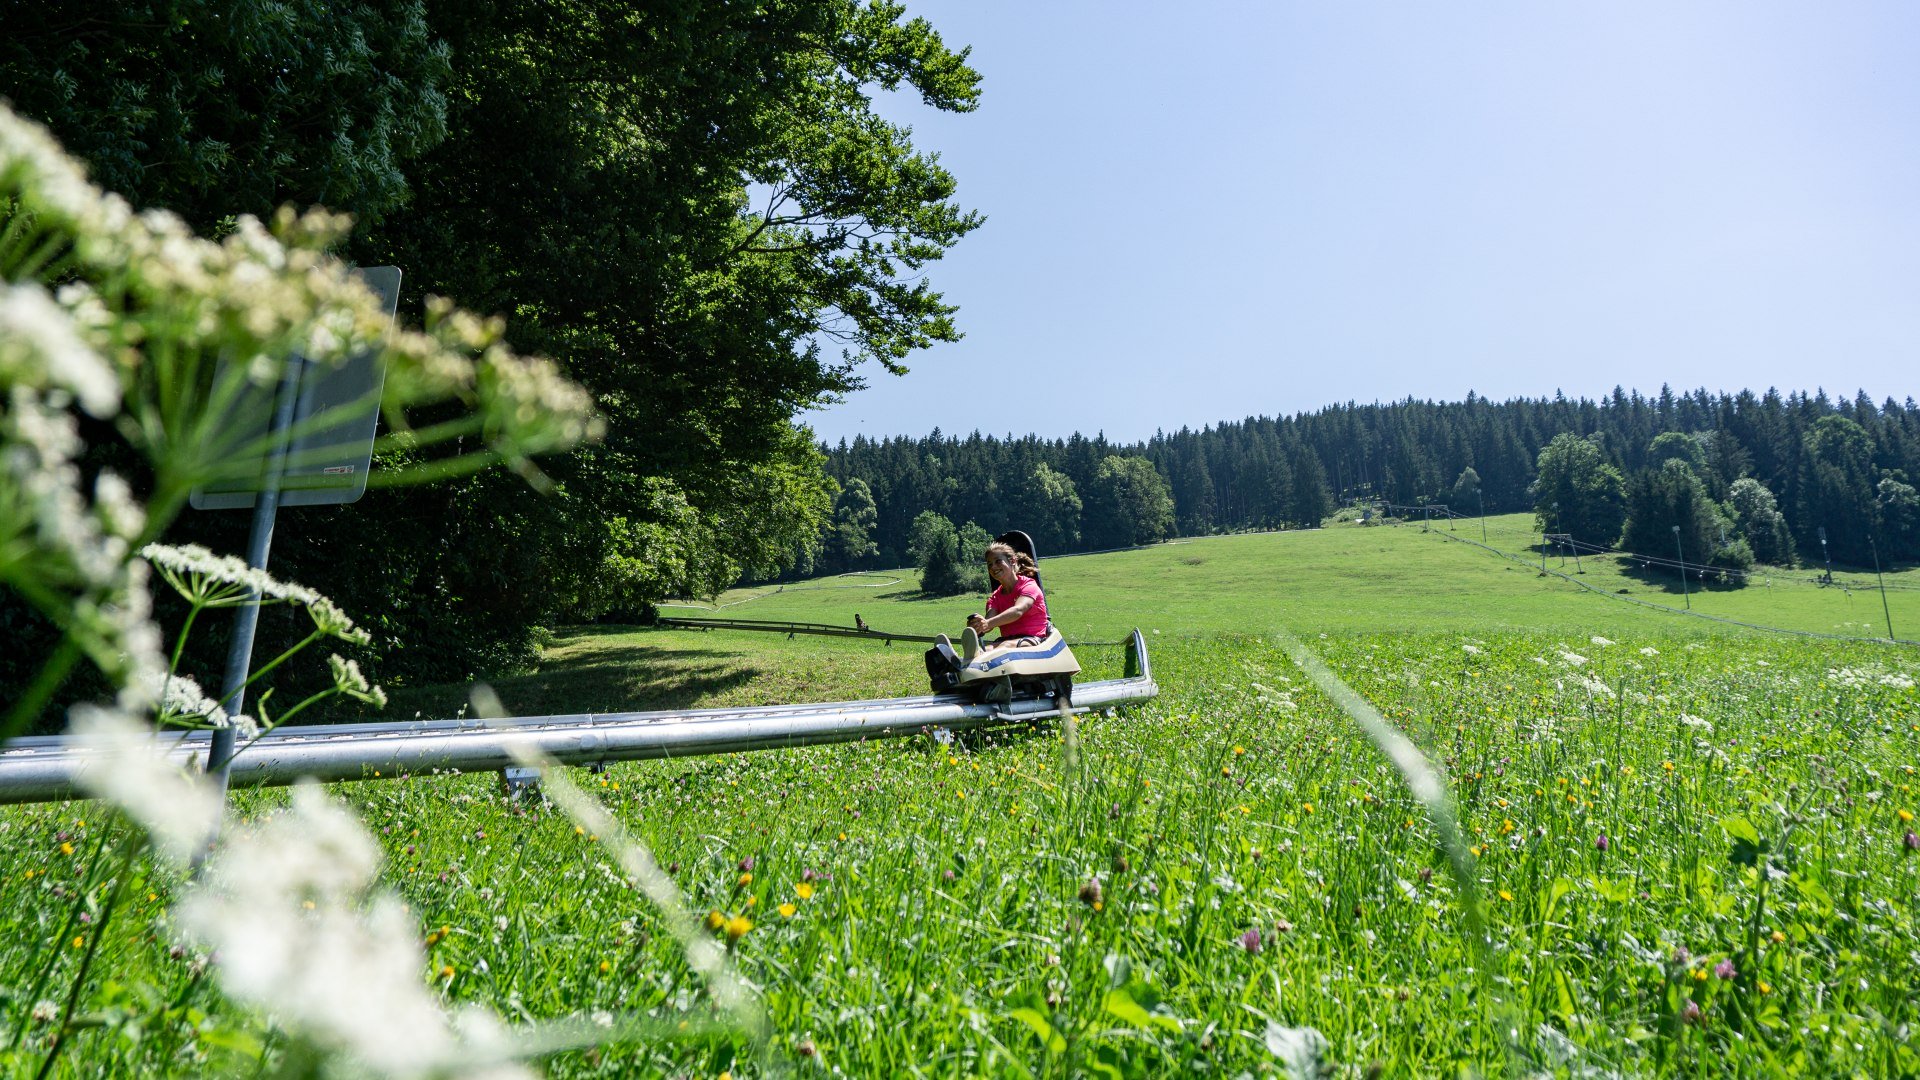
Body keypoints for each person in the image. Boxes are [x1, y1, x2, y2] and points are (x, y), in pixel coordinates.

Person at [960, 541, 1049, 660]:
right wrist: (978, 625)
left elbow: (1018, 610)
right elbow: (989, 622)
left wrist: (987, 623)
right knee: (987, 650)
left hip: (1034, 639)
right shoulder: (995, 597)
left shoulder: (1028, 586)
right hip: (1008, 640)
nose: (993, 567)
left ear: (1012, 561)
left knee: (1004, 647)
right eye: (989, 564)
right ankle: (955, 660)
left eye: (998, 561)